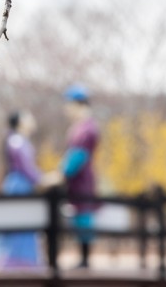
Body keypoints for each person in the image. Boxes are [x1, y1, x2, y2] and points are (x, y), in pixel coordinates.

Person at [0, 110, 43, 268]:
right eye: (28, 117)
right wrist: (43, 179)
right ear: (20, 122)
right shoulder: (17, 141)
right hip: (19, 185)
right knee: (19, 223)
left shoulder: (19, 140)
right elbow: (27, 168)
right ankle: (17, 260)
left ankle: (21, 259)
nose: (32, 119)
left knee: (22, 224)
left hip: (22, 184)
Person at [59, 84, 99, 268]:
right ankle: (83, 258)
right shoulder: (80, 127)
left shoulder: (87, 128)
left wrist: (63, 172)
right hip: (77, 181)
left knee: (84, 216)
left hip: (82, 180)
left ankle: (85, 259)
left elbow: (78, 155)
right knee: (79, 216)